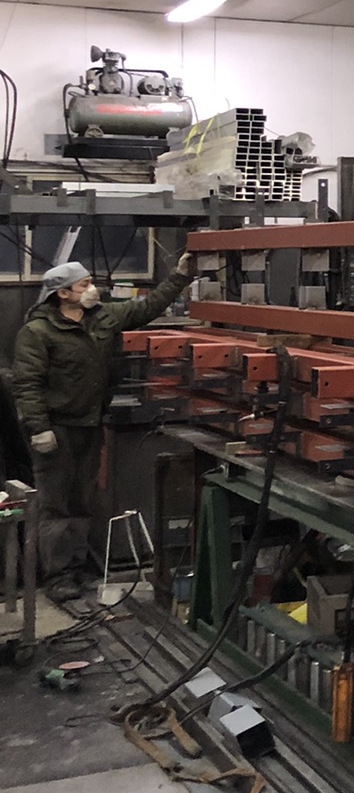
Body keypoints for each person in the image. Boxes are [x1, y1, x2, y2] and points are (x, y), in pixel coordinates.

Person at [13, 253, 194, 592]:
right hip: (57, 429)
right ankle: (57, 577)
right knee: (56, 505)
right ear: (63, 293)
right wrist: (39, 428)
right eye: (84, 284)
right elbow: (27, 383)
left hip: (90, 424)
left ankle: (76, 567)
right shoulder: (37, 332)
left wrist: (180, 276)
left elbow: (146, 308)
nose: (92, 288)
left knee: (82, 501)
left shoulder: (102, 318)